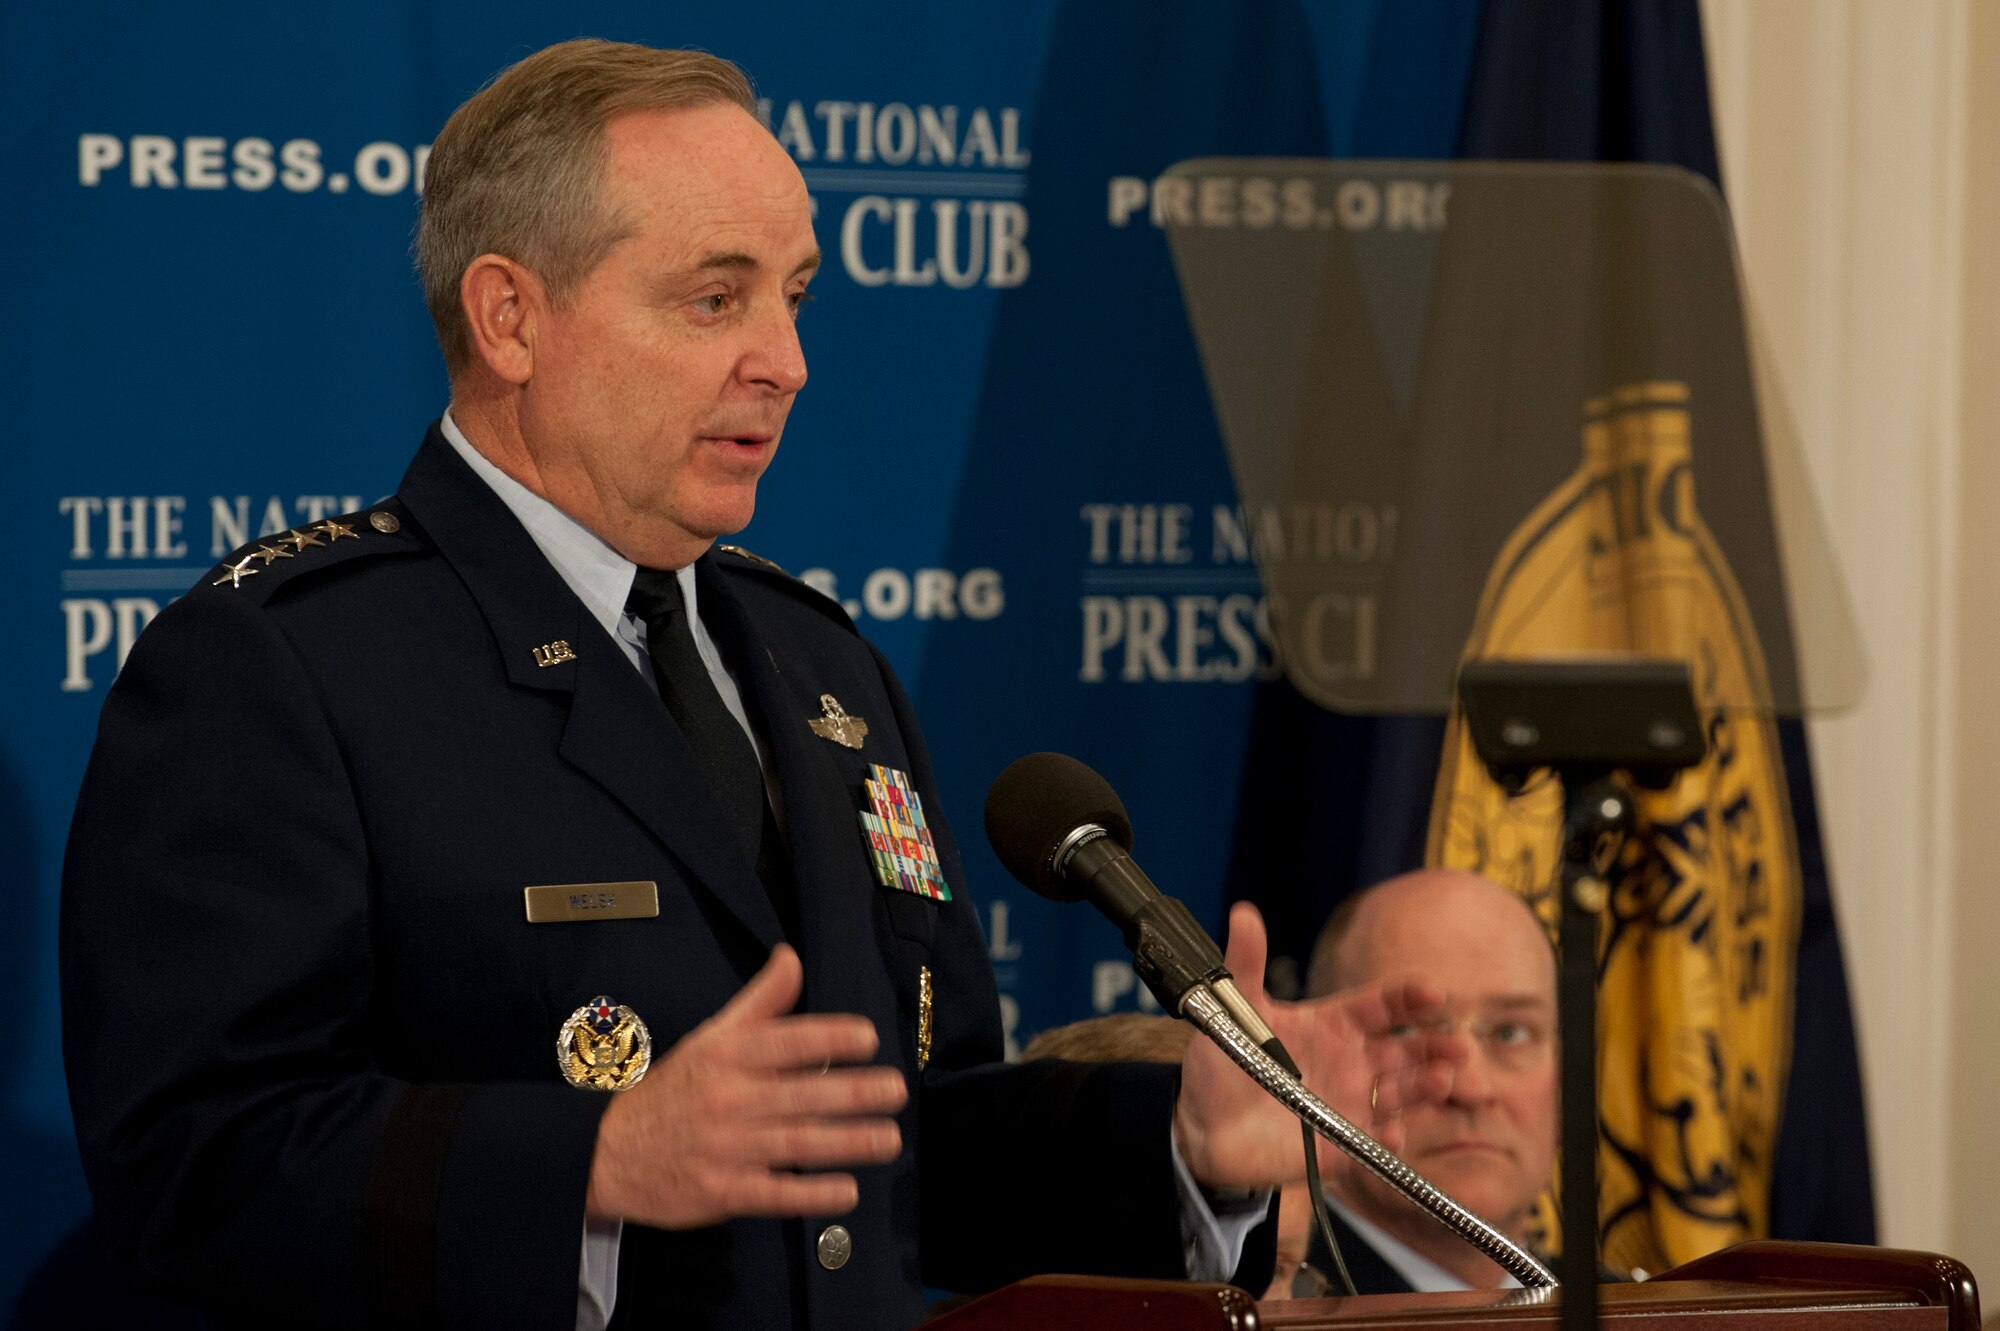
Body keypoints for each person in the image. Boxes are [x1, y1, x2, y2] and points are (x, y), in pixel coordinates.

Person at [59, 39, 1462, 1331]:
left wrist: (1174, 1140)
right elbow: (194, 1167)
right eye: (713, 297)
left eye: (793, 298)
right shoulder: (288, 662)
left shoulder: (817, 663)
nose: (785, 363)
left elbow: (912, 1146)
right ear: (510, 317)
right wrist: (597, 1163)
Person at [1298, 869, 1561, 1295]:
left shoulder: (1639, 1310)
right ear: (1309, 1073)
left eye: (1512, 1032)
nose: (1471, 1089)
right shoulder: (1260, 1298)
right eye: (1407, 1032)